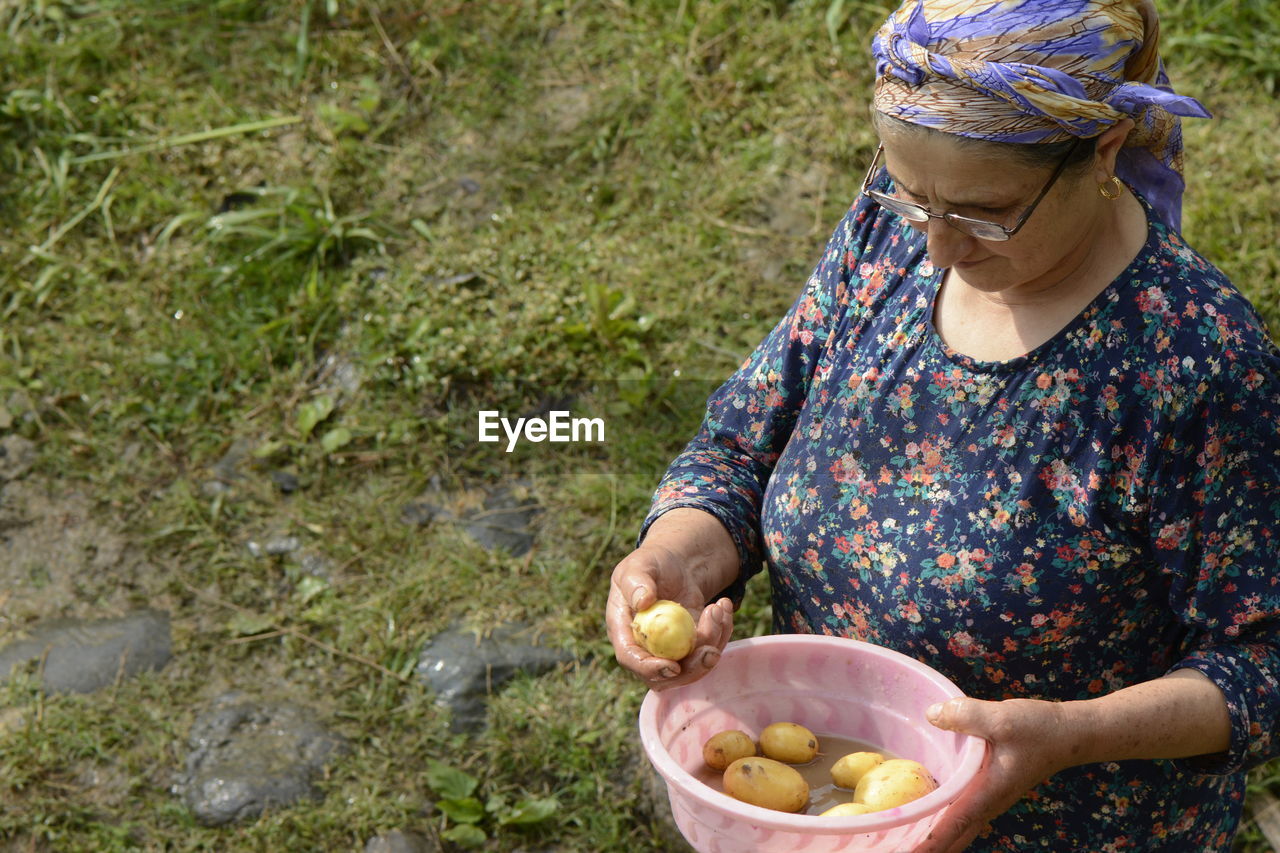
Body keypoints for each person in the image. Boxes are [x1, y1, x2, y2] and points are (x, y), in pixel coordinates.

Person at [605, 0, 1280, 850]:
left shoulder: (1193, 363)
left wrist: (1069, 735)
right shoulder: (890, 235)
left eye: (984, 212)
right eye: (911, 193)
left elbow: (1261, 661)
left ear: (1104, 150)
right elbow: (740, 447)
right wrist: (674, 559)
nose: (937, 250)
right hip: (826, 811)